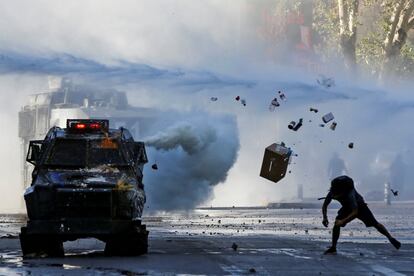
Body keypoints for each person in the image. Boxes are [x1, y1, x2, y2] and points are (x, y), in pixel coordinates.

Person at [322, 175, 401, 255]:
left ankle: (390, 238)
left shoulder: (350, 194)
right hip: (346, 208)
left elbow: (355, 212)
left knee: (375, 224)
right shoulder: (332, 193)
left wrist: (343, 221)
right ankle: (333, 247)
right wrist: (325, 218)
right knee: (336, 224)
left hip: (360, 206)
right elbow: (325, 205)